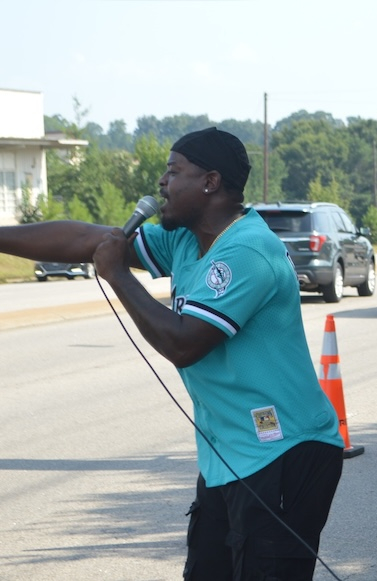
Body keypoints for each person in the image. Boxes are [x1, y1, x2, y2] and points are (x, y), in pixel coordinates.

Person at [0, 127, 344, 580]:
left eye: (173, 170)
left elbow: (184, 343)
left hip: (284, 450)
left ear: (211, 182)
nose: (161, 182)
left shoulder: (247, 251)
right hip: (230, 455)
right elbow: (89, 239)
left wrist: (120, 276)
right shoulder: (186, 239)